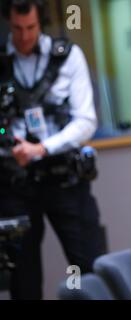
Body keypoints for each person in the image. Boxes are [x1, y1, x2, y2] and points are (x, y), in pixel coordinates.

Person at [0, 0, 104, 299]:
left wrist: (42, 148)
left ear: (41, 22)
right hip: (15, 182)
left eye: (30, 27)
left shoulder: (68, 56)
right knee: (23, 280)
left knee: (90, 267)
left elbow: (86, 121)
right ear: (8, 21)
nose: (24, 36)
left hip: (65, 178)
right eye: (17, 29)